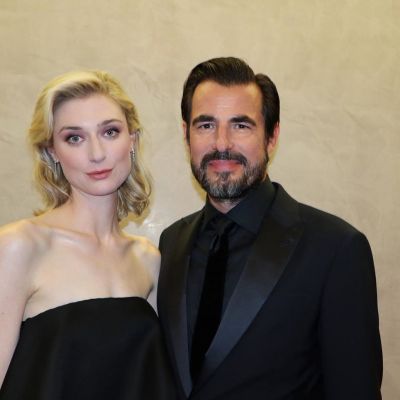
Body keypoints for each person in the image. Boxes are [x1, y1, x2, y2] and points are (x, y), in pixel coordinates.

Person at [157, 57, 382, 400]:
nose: (221, 143)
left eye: (240, 125)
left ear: (272, 137)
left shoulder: (336, 249)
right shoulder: (171, 243)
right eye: (205, 125)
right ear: (186, 136)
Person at [0, 70, 177, 399]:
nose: (96, 153)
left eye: (110, 132)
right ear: (52, 151)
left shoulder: (148, 260)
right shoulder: (18, 246)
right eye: (74, 138)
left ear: (132, 140)